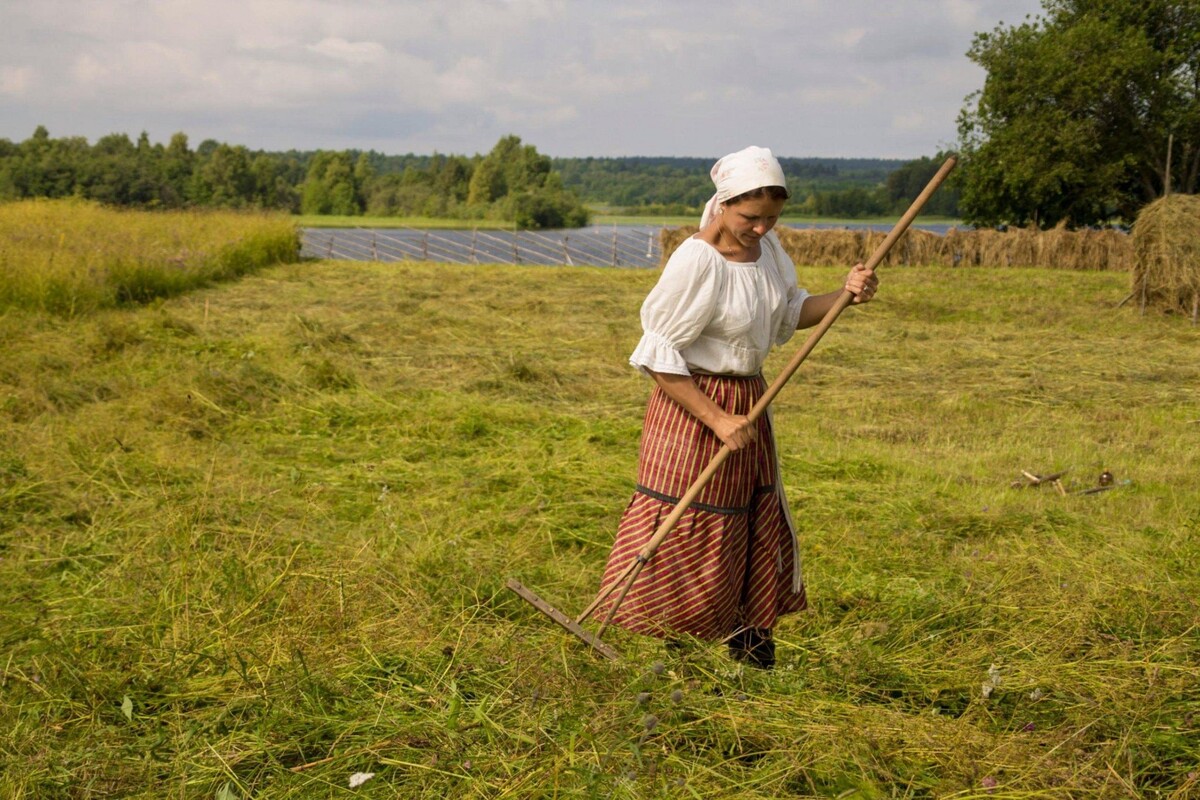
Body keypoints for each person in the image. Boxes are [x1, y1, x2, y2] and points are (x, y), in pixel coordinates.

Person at [593, 146, 878, 669]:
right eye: (751, 217)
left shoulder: (768, 254)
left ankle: (749, 643)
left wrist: (844, 294)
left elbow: (792, 313)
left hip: (750, 400)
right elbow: (657, 356)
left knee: (747, 518)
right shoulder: (696, 259)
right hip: (692, 407)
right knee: (688, 521)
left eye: (772, 218)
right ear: (723, 205)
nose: (762, 229)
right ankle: (674, 645)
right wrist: (718, 419)